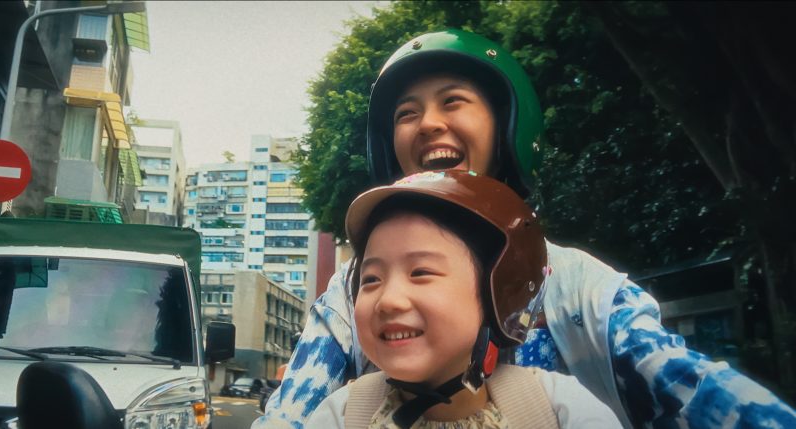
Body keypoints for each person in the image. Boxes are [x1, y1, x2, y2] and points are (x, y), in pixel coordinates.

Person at [254, 29, 796, 428]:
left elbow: (696, 391)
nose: (429, 123)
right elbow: (291, 417)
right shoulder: (350, 298)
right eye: (406, 113)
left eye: (454, 102)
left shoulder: (575, 287)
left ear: (509, 129)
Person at [306, 170, 622, 428]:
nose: (388, 301)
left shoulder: (556, 409)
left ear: (497, 293)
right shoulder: (343, 416)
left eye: (420, 272)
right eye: (371, 279)